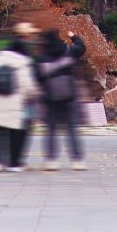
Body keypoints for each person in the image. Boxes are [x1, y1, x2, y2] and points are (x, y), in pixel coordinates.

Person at [0, 24, 39, 171]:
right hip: (14, 104)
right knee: (18, 132)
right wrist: (35, 93)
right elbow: (28, 86)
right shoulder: (23, 61)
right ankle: (14, 163)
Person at [35, 28, 87, 170]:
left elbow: (37, 79)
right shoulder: (68, 51)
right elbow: (82, 48)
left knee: (51, 129)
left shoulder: (41, 57)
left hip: (50, 98)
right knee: (72, 128)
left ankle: (51, 160)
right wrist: (74, 36)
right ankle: (77, 160)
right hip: (69, 95)